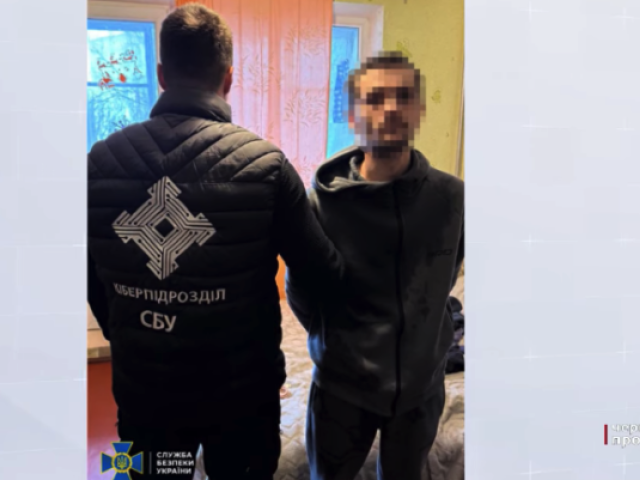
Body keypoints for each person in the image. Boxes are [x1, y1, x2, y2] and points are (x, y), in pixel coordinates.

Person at [87, 5, 343, 480]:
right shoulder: (267, 166)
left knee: (155, 474)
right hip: (241, 402)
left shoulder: (97, 163)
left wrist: (134, 331)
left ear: (161, 75)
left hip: (145, 396)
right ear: (229, 78)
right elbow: (323, 274)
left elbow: (92, 280)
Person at [286, 51, 464, 480]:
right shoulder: (321, 205)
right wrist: (338, 342)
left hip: (421, 392)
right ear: (352, 115)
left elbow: (447, 275)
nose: (390, 109)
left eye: (403, 97)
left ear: (419, 110)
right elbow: (301, 294)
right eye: (375, 98)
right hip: (341, 391)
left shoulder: (452, 199)